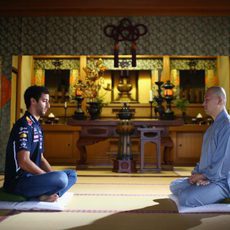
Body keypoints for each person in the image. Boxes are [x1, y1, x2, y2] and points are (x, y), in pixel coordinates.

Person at [3, 85, 77, 202]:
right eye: (44, 101)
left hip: (33, 178)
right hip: (19, 182)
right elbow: (23, 161)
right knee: (61, 178)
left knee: (71, 174)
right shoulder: (24, 125)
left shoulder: (36, 125)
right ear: (33, 101)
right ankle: (45, 194)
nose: (48, 106)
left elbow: (41, 158)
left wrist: (51, 175)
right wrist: (46, 177)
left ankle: (50, 195)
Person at [170, 86, 230, 207]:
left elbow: (222, 161)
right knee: (174, 185)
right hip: (206, 177)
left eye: (206, 100)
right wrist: (196, 175)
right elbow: (204, 159)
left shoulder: (227, 126)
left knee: (185, 198)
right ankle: (204, 190)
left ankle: (223, 196)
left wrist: (204, 176)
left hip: (221, 182)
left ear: (219, 101)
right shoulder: (211, 128)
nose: (203, 104)